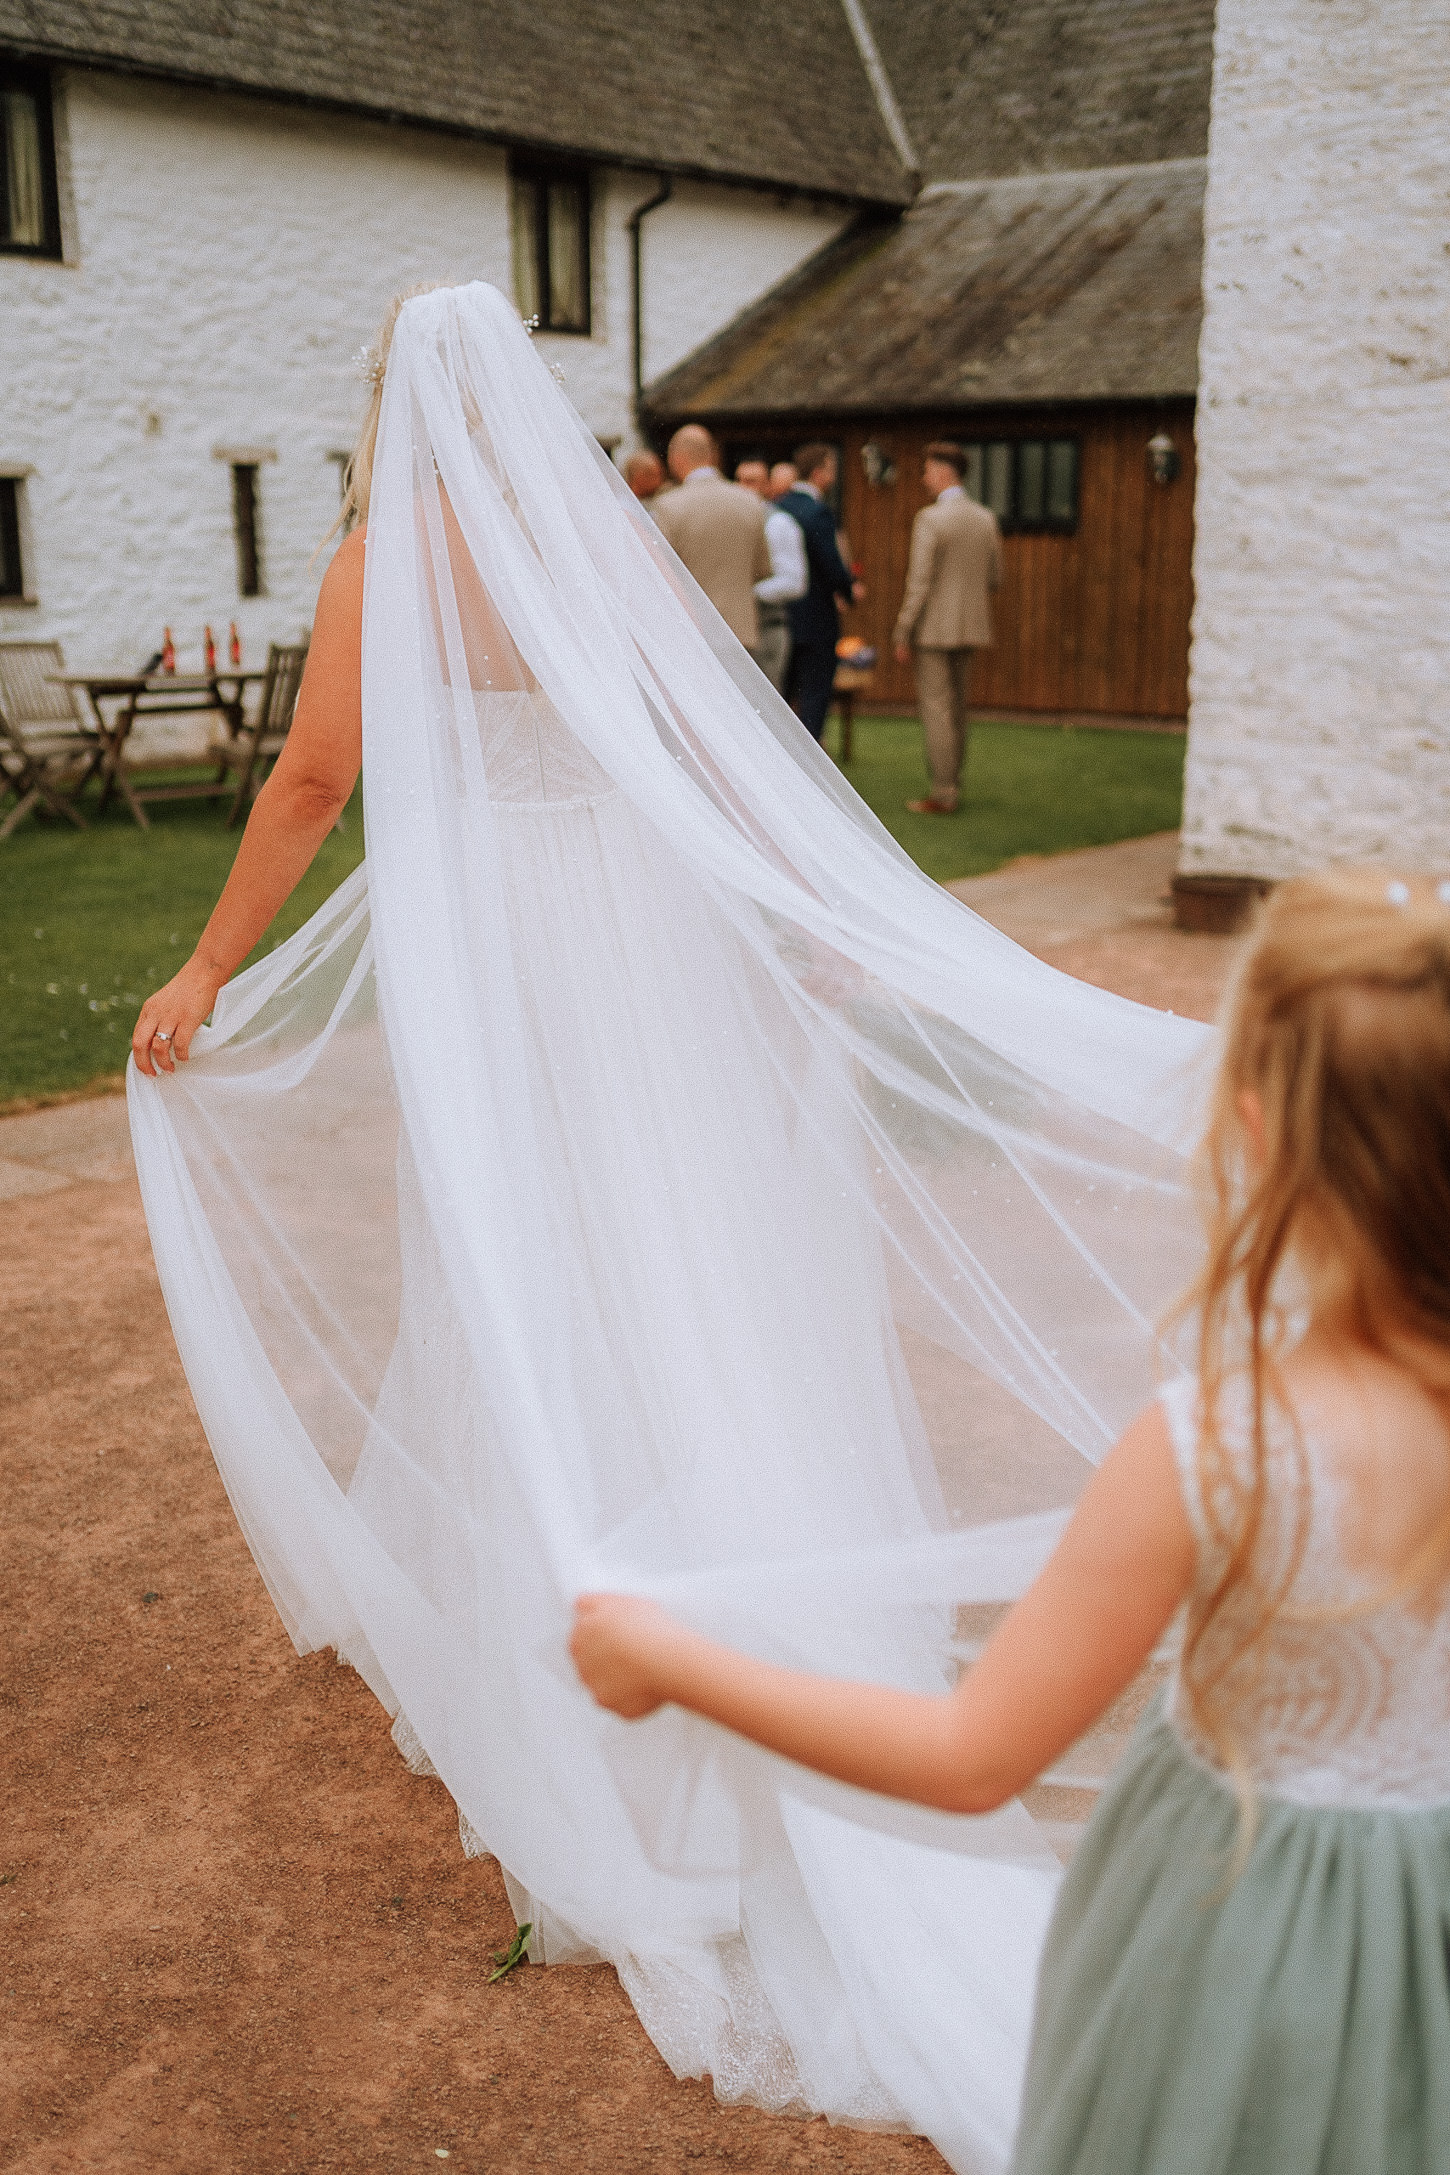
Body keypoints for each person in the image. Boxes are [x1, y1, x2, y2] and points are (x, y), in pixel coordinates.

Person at [128, 281, 1205, 2175]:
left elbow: (315, 781)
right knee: (697, 1253)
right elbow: (711, 749)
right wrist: (800, 930)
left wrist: (213, 963)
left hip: (515, 968)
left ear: (387, 403)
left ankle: (602, 1649)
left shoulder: (388, 556)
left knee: (532, 1267)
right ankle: (746, 1582)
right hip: (648, 943)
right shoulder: (588, 537)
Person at [574, 864, 1450, 2175]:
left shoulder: (1219, 1444)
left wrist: (667, 1659)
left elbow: (970, 1753)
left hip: (1228, 1930)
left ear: (1256, 1129)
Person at [892, 442, 1002, 815]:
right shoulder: (986, 518)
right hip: (972, 626)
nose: (924, 479)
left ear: (942, 472)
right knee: (958, 710)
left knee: (937, 709)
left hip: (934, 629)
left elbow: (919, 582)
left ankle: (943, 792)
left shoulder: (930, 519)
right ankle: (953, 784)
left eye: (926, 471)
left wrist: (902, 630)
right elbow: (995, 577)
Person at [649, 423, 771, 649]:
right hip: (740, 632)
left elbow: (660, 573)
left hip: (692, 633)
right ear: (712, 456)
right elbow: (763, 569)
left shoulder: (668, 506)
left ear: (677, 458)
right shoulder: (750, 501)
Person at [775, 444, 863, 741]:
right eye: (831, 468)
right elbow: (832, 565)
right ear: (818, 472)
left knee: (780, 695)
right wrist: (849, 592)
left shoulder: (778, 507)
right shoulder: (818, 513)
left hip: (782, 616)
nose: (834, 475)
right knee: (814, 696)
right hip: (816, 618)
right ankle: (809, 766)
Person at [734, 457, 807, 693]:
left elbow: (794, 582)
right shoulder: (731, 520)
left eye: (752, 481)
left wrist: (747, 594)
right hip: (733, 631)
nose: (745, 487)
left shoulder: (778, 523)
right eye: (740, 480)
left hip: (766, 628)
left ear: (767, 487)